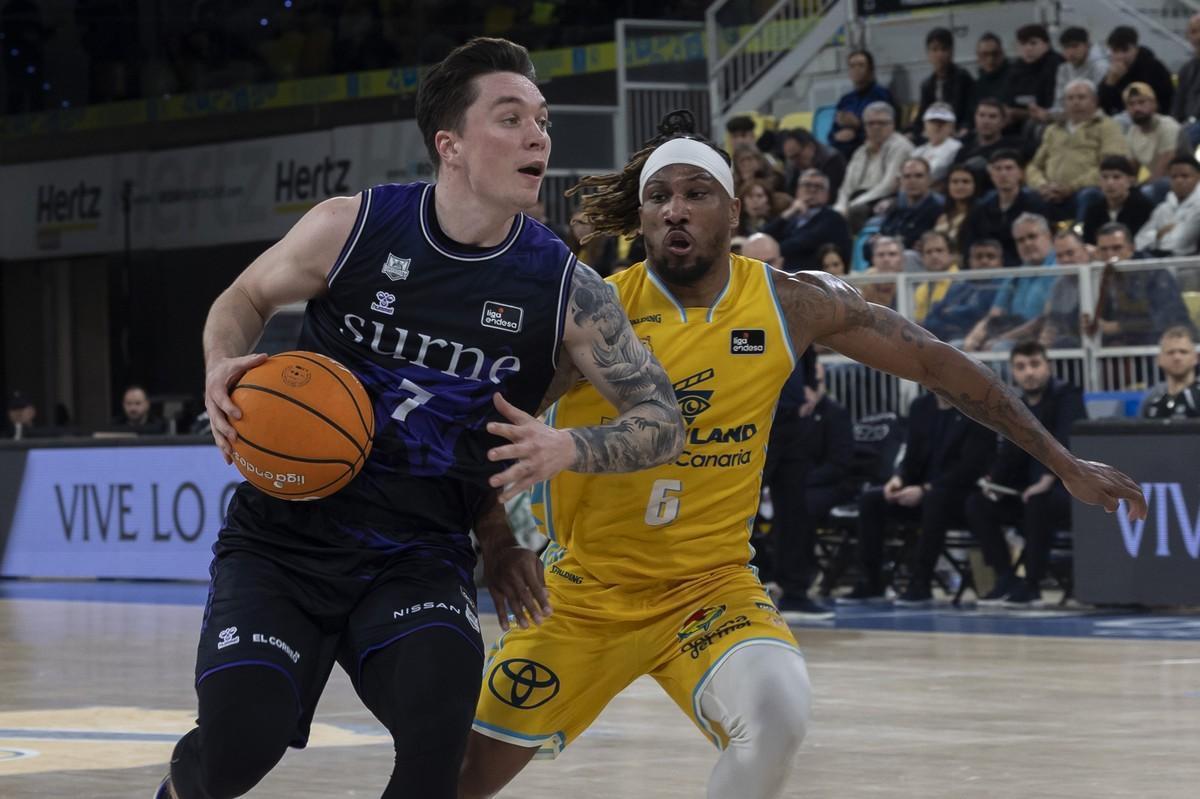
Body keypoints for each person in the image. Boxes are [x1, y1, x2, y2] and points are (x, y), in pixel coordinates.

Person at [460, 109, 1147, 799]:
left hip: (711, 589)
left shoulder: (793, 304)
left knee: (779, 715)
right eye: (658, 195)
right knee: (461, 776)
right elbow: (494, 426)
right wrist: (498, 541)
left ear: (734, 208)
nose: (675, 209)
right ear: (638, 216)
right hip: (583, 594)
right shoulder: (594, 312)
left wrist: (1064, 462)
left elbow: (940, 364)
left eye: (696, 192)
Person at [153, 39, 686, 799]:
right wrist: (218, 366)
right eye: (511, 118)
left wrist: (566, 447)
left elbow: (663, 416)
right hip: (284, 543)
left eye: (542, 119)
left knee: (439, 735)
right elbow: (241, 300)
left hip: (418, 552)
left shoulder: (565, 287)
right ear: (452, 144)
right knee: (240, 743)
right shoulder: (354, 227)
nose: (539, 135)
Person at [840, 390, 996, 605]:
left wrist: (925, 489)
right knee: (871, 500)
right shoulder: (921, 407)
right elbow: (911, 456)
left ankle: (920, 583)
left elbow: (970, 468)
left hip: (959, 496)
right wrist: (898, 479)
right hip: (919, 492)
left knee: (936, 500)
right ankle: (870, 581)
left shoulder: (975, 410)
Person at [967, 341, 1087, 608]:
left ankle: (1032, 585)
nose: (1029, 372)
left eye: (1035, 364)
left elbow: (1067, 440)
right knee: (978, 504)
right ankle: (1006, 578)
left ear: (1049, 366)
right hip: (1027, 493)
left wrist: (1048, 478)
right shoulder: (1015, 405)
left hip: (1066, 491)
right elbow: (1011, 452)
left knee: (1038, 504)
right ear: (1013, 372)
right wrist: (994, 482)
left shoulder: (1068, 396)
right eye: (1021, 367)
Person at [1025, 78, 1129, 222]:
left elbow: (1112, 166)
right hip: (1049, 191)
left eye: (1081, 97)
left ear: (1094, 101)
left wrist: (1071, 187)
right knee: (1024, 195)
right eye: (1070, 98)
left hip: (1083, 191)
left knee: (1090, 195)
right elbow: (1034, 166)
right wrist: (1041, 185)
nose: (1075, 102)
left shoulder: (1108, 126)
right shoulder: (1053, 129)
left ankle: (1081, 241)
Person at [834, 101, 914, 232]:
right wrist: (840, 208)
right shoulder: (859, 152)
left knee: (856, 212)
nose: (876, 127)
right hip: (858, 198)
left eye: (882, 123)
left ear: (893, 124)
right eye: (871, 123)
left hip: (883, 198)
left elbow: (888, 186)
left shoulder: (901, 147)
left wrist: (852, 205)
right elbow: (846, 188)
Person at [959, 149, 1047, 265]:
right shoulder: (980, 210)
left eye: (1009, 168)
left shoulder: (1036, 205)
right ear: (991, 174)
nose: (1003, 173)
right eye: (998, 169)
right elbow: (968, 243)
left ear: (1021, 173)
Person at [763, 168, 850, 271]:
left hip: (812, 279)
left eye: (818, 186)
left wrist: (768, 250)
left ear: (827, 194)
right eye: (807, 185)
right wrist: (789, 212)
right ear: (797, 190)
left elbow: (801, 244)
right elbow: (763, 236)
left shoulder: (833, 218)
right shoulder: (792, 218)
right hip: (785, 275)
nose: (812, 190)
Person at [924, 239, 1004, 344]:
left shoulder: (1004, 287)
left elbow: (978, 313)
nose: (984, 261)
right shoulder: (958, 287)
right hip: (946, 338)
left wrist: (951, 312)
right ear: (970, 261)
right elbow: (932, 317)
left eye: (990, 256)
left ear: (1001, 262)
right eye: (979, 257)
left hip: (977, 341)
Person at [830, 49, 895, 159]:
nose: (856, 70)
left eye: (861, 65)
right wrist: (836, 137)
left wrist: (858, 126)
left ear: (870, 69)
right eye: (852, 66)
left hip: (869, 149)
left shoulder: (881, 95)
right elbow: (832, 133)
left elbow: (887, 129)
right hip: (842, 151)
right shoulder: (845, 100)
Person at [1098, 26, 1174, 120]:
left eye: (1125, 50)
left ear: (1136, 49)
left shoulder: (1153, 67)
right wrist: (1110, 83)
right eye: (1115, 51)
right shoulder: (1112, 72)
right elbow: (1102, 106)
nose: (1120, 56)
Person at [911, 28, 974, 140]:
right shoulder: (927, 85)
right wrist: (910, 132)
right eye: (934, 50)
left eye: (943, 49)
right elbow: (922, 115)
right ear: (928, 53)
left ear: (951, 51)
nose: (939, 54)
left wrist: (963, 129)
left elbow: (968, 112)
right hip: (933, 134)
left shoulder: (962, 78)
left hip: (956, 133)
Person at [1080, 155, 1155, 244]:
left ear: (1130, 180)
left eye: (1116, 177)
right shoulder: (1093, 210)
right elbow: (1088, 242)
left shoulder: (1143, 208)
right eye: (1105, 177)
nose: (1110, 183)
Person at [1135, 155, 1200, 256]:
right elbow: (1138, 242)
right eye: (1174, 177)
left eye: (1185, 176)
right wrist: (1159, 233)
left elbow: (1178, 244)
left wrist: (1156, 237)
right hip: (1159, 264)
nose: (1179, 181)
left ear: (1198, 177)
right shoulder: (1163, 208)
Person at [1005, 24, 1064, 128]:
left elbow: (1050, 106)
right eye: (1023, 44)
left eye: (1033, 43)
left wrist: (1020, 112)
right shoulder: (1016, 68)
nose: (1028, 48)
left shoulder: (1056, 65)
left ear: (1047, 44)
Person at [1123, 82, 1181, 187]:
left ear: (1154, 104)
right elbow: (1131, 170)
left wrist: (1138, 188)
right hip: (1154, 183)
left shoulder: (1168, 126)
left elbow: (1164, 170)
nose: (1136, 108)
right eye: (1131, 104)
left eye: (1141, 102)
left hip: (1176, 181)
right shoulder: (1132, 132)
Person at [879, 156, 944, 249]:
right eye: (907, 176)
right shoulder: (895, 206)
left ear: (929, 180)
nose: (912, 181)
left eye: (919, 176)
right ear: (901, 180)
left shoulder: (938, 208)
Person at [1049, 27, 1109, 121]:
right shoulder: (1063, 69)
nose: (1070, 52)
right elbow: (1059, 102)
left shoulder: (1100, 67)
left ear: (1087, 46)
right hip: (1068, 117)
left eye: (1075, 46)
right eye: (1066, 47)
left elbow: (1099, 102)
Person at [1140, 326, 1200, 418]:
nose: (1177, 357)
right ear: (1159, 359)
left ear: (1196, 358)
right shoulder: (1151, 399)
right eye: (1170, 352)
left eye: (1183, 352)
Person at [912, 230, 958, 323]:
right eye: (928, 252)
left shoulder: (961, 281)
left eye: (939, 250)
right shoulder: (921, 289)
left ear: (951, 254)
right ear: (922, 258)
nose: (934, 255)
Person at [911, 103, 963, 183]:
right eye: (933, 122)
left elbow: (936, 173)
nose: (938, 126)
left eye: (943, 122)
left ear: (951, 126)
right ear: (925, 125)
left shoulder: (956, 148)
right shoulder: (918, 151)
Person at [933, 164, 978, 254]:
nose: (960, 186)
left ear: (974, 185)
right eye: (955, 182)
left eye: (965, 182)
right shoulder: (941, 214)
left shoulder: (980, 215)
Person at [971, 33, 1011, 118]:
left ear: (1002, 53)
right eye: (985, 54)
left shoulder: (1015, 78)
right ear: (978, 56)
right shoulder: (977, 85)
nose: (990, 59)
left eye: (994, 54)